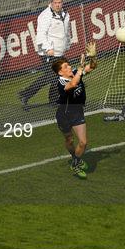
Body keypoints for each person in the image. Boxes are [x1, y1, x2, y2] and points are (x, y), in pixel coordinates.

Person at [51, 42, 97, 179]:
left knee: (83, 142)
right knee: (69, 140)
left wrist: (93, 57)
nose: (69, 67)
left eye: (69, 65)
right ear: (60, 72)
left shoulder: (77, 72)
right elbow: (73, 83)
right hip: (64, 115)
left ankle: (75, 163)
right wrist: (81, 68)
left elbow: (92, 67)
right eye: (66, 67)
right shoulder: (60, 83)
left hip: (77, 113)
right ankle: (74, 157)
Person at [19, 0, 71, 108]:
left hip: (60, 51)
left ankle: (50, 100)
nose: (58, 5)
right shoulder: (45, 16)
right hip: (48, 53)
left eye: (60, 2)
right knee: (52, 76)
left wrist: (67, 43)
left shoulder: (65, 14)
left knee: (57, 77)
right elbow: (41, 35)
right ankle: (26, 95)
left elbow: (66, 31)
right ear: (51, 3)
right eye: (55, 3)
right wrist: (48, 49)